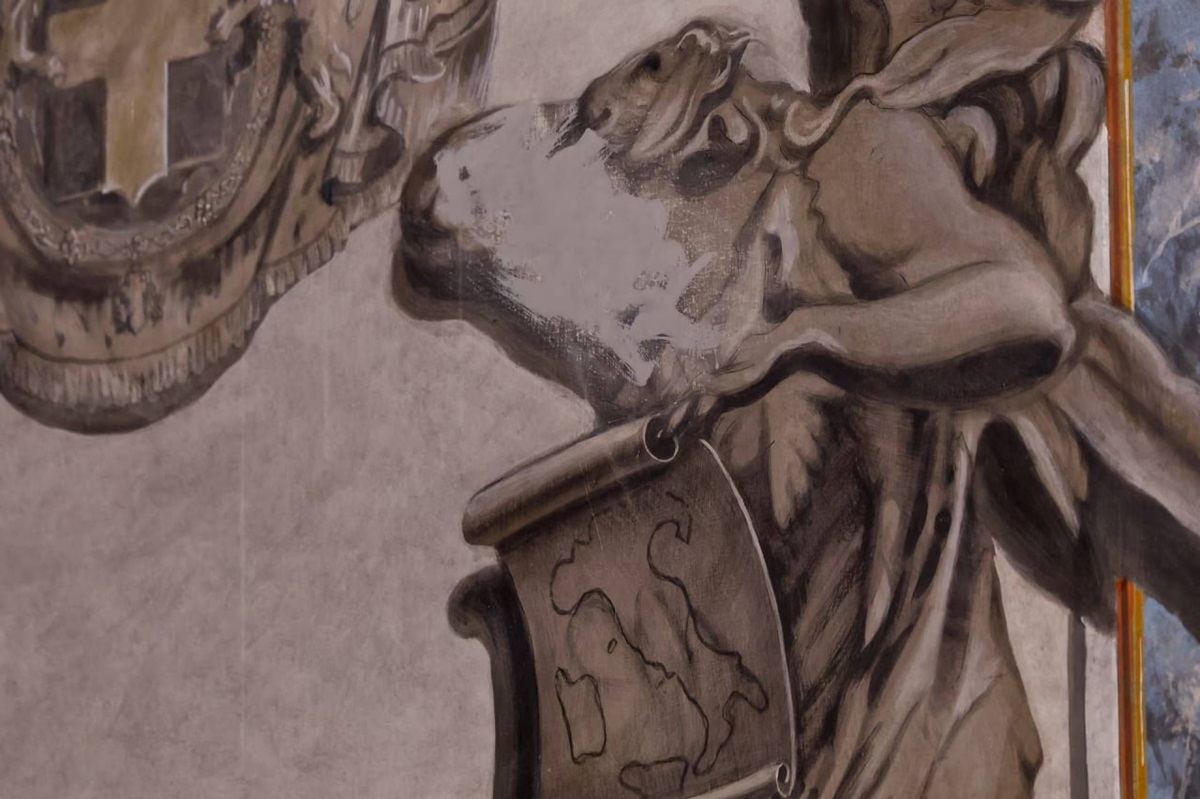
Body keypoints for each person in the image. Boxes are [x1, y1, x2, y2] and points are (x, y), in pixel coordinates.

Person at [400, 5, 1200, 796]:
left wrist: (812, 336)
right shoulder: (670, 340)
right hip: (799, 766)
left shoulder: (846, 156)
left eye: (574, 127)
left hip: (920, 742)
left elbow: (1025, 309)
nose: (601, 126)